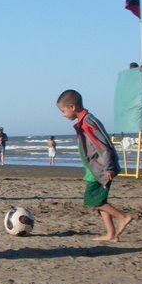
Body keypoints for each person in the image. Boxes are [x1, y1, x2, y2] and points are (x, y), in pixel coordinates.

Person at [56, 89, 132, 241]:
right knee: (100, 202)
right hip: (94, 169)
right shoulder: (84, 121)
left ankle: (122, 217)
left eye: (63, 111)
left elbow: (104, 146)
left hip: (101, 169)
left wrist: (108, 168)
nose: (63, 115)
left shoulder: (88, 122)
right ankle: (111, 234)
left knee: (92, 199)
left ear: (72, 107)